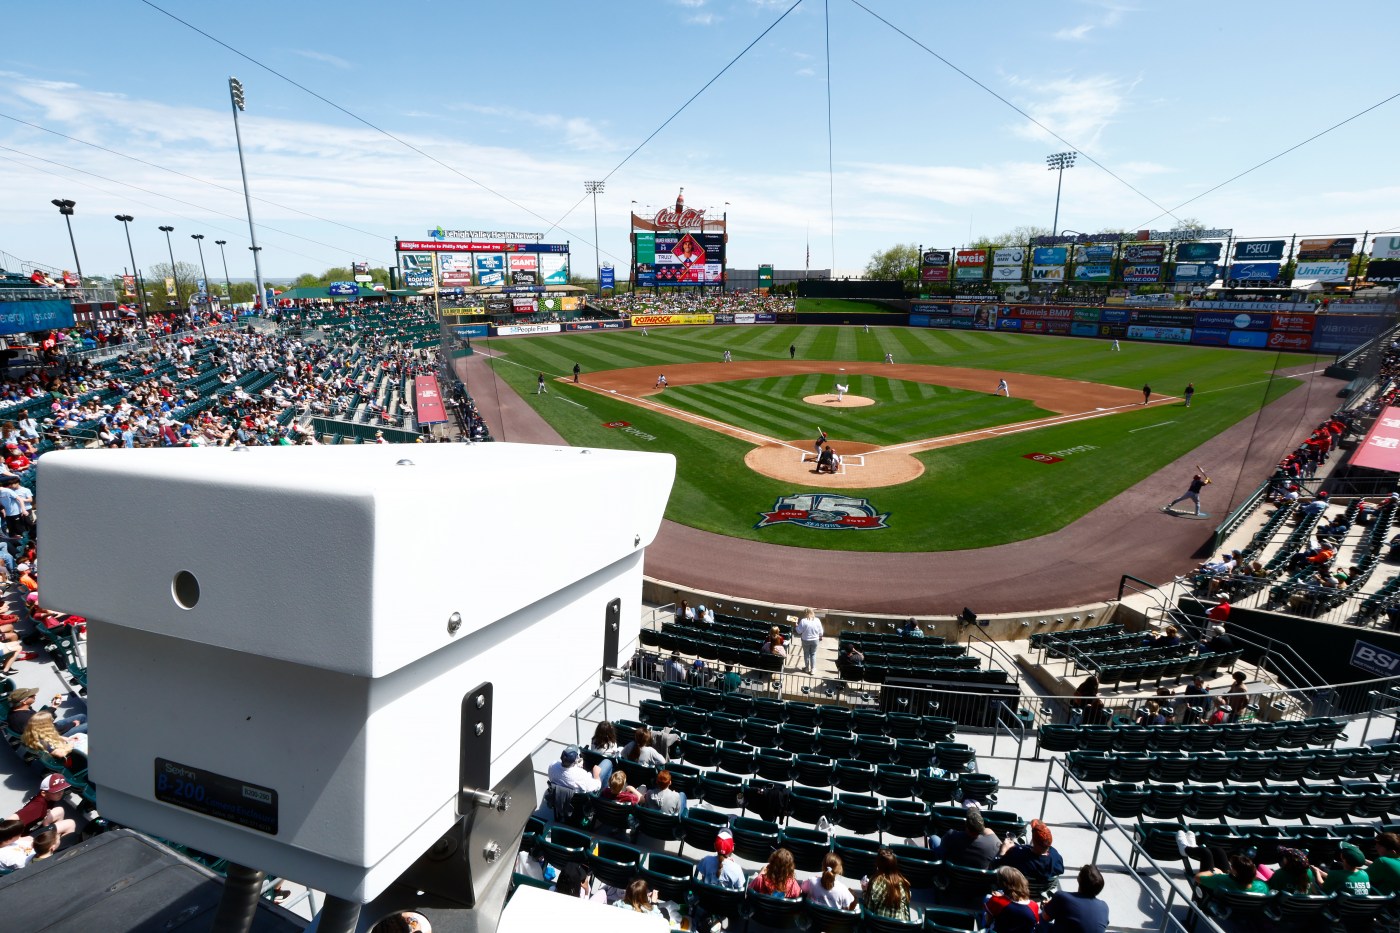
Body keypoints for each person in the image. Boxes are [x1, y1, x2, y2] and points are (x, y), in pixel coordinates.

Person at [1178, 831, 1268, 895]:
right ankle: (1193, 847)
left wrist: (1213, 872)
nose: (1230, 867)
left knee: (1205, 852)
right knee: (1219, 851)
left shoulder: (1221, 879)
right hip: (1232, 889)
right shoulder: (1262, 886)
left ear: (1236, 872)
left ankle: (1186, 849)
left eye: (1232, 867)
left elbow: (1197, 877)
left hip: (1209, 894)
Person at [1039, 864, 1109, 933]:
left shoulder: (1062, 897)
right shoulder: (1104, 907)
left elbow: (1045, 917)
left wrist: (1047, 907)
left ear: (1078, 879)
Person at [997, 819, 1065, 889]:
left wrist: (1003, 851)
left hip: (1017, 889)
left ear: (1034, 840)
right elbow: (1060, 870)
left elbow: (997, 866)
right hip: (1038, 892)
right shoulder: (1056, 857)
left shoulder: (1018, 856)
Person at [6, 687, 86, 737]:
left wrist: (54, 706)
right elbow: (54, 730)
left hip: (48, 728)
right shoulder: (25, 719)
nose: (35, 695)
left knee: (81, 716)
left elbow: (38, 717)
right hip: (53, 736)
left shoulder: (18, 710)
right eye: (31, 695)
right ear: (24, 701)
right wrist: (73, 724)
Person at [984, 866, 1040, 932]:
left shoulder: (996, 901)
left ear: (1003, 884)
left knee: (987, 898)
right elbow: (1035, 924)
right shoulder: (1034, 906)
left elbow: (988, 921)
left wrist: (998, 898)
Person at [862, 847, 912, 920]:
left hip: (878, 926)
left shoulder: (875, 882)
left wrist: (865, 891)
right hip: (900, 927)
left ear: (878, 864)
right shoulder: (904, 883)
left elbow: (869, 908)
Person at [21, 711, 86, 758]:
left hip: (61, 746)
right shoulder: (44, 742)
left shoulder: (33, 733)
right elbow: (60, 754)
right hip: (67, 757)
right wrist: (71, 744)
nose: (52, 724)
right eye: (51, 722)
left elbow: (51, 737)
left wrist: (68, 739)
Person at [796, 609, 824, 674]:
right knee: (813, 654)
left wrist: (796, 625)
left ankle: (807, 668)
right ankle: (813, 669)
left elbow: (798, 631)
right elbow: (821, 632)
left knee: (806, 654)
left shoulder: (803, 621)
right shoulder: (817, 620)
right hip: (815, 640)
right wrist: (820, 636)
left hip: (805, 640)